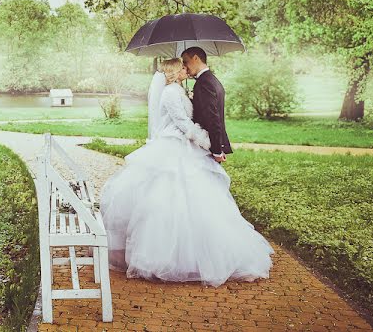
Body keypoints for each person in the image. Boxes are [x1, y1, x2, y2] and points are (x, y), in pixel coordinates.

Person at [99, 56, 274, 286]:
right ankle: (166, 257)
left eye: (186, 65)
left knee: (196, 200)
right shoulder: (170, 93)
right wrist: (205, 141)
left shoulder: (179, 91)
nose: (185, 69)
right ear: (174, 71)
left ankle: (195, 256)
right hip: (173, 146)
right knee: (171, 199)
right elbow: (181, 122)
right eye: (182, 67)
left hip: (183, 145)